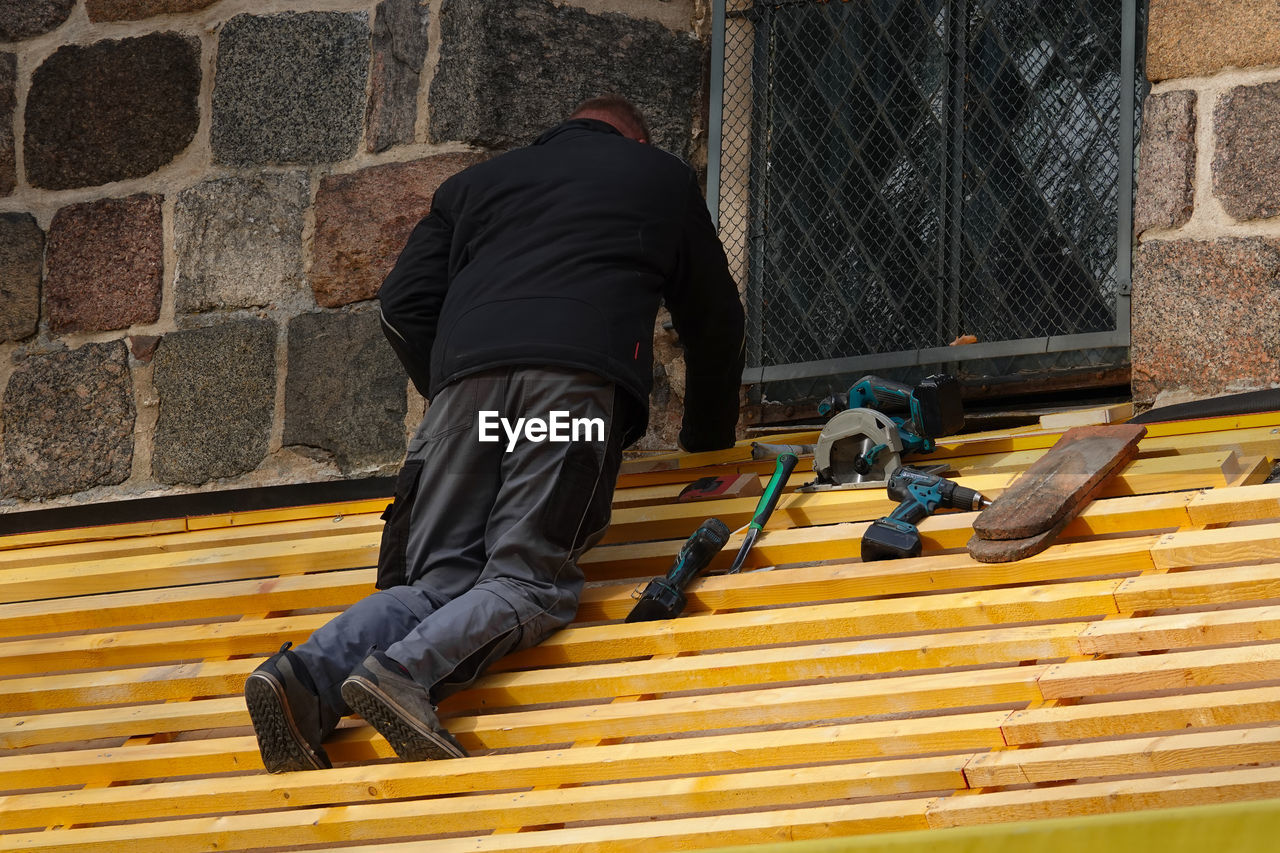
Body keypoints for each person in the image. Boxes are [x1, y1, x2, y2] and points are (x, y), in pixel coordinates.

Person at [244, 94, 745, 772]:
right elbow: (714, 321)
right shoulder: (658, 179)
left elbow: (401, 304)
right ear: (636, 140)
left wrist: (457, 388)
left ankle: (302, 678)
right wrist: (708, 447)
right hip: (568, 392)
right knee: (528, 579)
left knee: (440, 578)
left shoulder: (473, 185)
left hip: (464, 401)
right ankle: (404, 672)